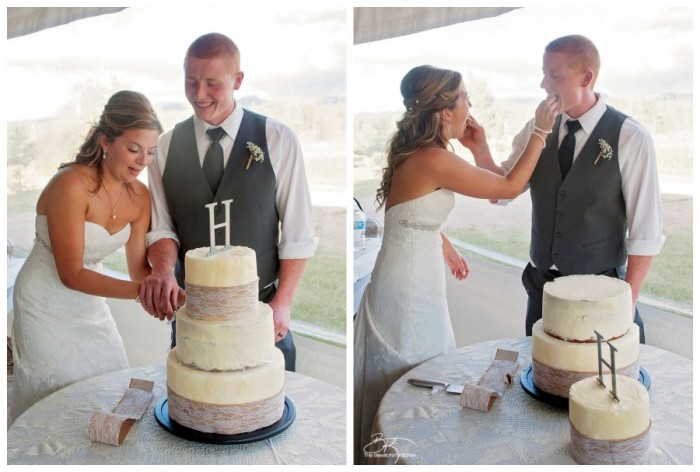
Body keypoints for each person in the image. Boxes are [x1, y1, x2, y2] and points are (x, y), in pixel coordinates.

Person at [353, 65, 559, 463]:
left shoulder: (422, 153)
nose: (470, 105)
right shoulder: (432, 158)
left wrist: (442, 240)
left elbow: (407, 210)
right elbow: (509, 187)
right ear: (446, 111)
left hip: (413, 272)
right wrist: (540, 131)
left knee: (422, 370)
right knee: (415, 375)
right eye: (466, 97)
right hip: (409, 290)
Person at [467, 35, 664, 342]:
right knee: (540, 383)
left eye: (554, 75)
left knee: (603, 386)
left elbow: (645, 234)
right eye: (544, 73)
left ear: (587, 78)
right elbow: (500, 189)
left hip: (600, 294)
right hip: (541, 291)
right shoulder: (537, 127)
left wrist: (627, 303)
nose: (544, 84)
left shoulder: (630, 137)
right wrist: (479, 149)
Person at [139, 32, 316, 372]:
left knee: (268, 410)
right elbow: (162, 226)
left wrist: (283, 303)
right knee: (195, 407)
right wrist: (162, 270)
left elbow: (297, 233)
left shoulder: (278, 139)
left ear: (237, 80)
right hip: (192, 313)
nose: (199, 94)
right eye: (190, 82)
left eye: (212, 83)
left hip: (260, 309)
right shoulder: (163, 147)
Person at [10, 90, 163, 424]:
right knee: (56, 404)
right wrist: (144, 293)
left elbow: (139, 271)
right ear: (106, 141)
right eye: (133, 149)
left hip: (90, 306)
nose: (142, 161)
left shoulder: (140, 197)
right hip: (44, 302)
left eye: (150, 152)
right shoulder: (71, 184)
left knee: (112, 388)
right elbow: (71, 274)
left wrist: (164, 286)